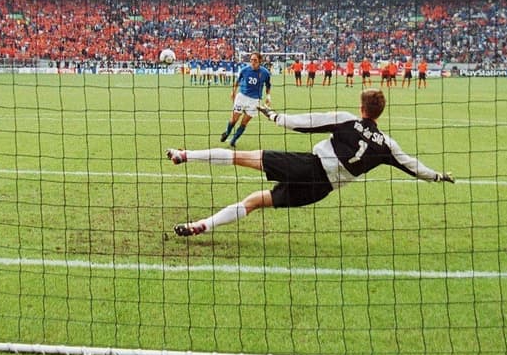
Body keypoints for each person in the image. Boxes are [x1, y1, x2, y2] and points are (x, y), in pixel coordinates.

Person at [166, 89, 454, 237]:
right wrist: (438, 177)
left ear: (362, 108)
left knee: (243, 157)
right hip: (320, 190)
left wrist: (276, 117)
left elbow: (307, 123)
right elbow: (413, 166)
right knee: (255, 201)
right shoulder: (387, 146)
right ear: (379, 112)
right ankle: (201, 225)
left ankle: (184, 155)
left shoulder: (347, 120)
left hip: (310, 166)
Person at [218, 52, 271, 147]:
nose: (253, 62)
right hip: (242, 97)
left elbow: (268, 85)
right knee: (234, 119)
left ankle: (233, 140)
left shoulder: (265, 73)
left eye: (255, 60)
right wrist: (233, 91)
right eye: (251, 60)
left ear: (260, 61)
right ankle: (227, 132)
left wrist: (268, 97)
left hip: (254, 101)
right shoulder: (244, 70)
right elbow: (237, 81)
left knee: (244, 122)